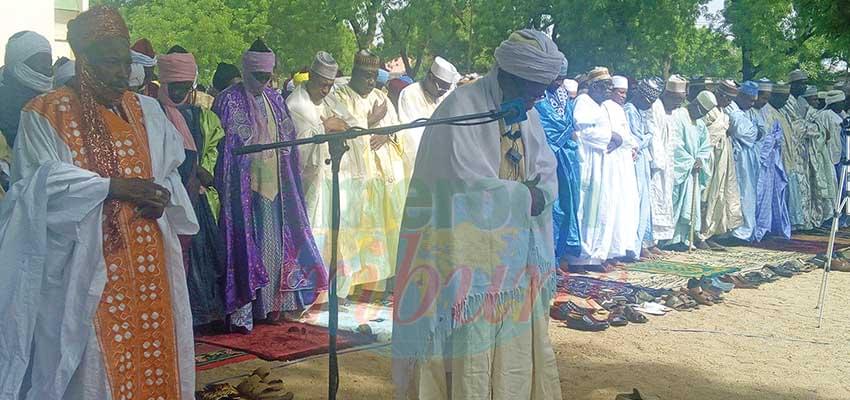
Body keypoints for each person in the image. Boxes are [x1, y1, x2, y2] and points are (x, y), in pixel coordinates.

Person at [1, 6, 198, 398]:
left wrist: (162, 196)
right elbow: (35, 188)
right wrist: (111, 187)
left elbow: (170, 171)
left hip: (150, 263)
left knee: (157, 352)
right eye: (110, 63)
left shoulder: (148, 110)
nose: (121, 73)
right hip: (86, 267)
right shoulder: (44, 113)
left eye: (125, 63)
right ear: (84, 60)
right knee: (94, 367)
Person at [392, 28, 562, 400]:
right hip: (466, 271)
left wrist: (537, 195)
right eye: (534, 89)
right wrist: (524, 197)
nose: (539, 98)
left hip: (516, 265)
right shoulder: (460, 109)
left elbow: (546, 171)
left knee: (513, 359)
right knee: (468, 356)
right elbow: (463, 187)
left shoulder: (527, 114)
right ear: (509, 75)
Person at [213, 38, 327, 332]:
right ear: (246, 70)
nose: (262, 82)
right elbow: (223, 150)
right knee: (250, 247)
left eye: (267, 77)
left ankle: (275, 306)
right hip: (244, 190)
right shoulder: (227, 100)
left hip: (276, 185)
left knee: (278, 246)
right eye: (257, 77)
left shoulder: (276, 100)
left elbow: (289, 144)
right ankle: (250, 308)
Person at [286, 51, 371, 299]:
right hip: (311, 183)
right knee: (314, 232)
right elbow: (296, 147)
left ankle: (333, 292)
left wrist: (338, 126)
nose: (325, 90)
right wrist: (324, 128)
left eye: (329, 85)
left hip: (335, 178)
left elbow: (350, 123)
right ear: (310, 77)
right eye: (322, 84)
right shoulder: (295, 103)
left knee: (339, 235)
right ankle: (308, 294)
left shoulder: (331, 100)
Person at [323, 49, 407, 299]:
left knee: (382, 230)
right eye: (365, 76)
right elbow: (342, 126)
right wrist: (370, 122)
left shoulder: (382, 97)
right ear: (354, 73)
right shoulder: (340, 95)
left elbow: (398, 129)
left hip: (383, 177)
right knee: (354, 230)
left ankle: (377, 284)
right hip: (355, 176)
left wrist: (387, 133)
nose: (370, 81)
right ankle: (350, 286)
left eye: (373, 76)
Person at [157, 46, 228, 327]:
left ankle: (197, 318)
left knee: (202, 258)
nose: (179, 93)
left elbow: (205, 151)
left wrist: (201, 172)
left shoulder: (198, 115)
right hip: (167, 198)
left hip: (194, 196)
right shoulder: (153, 112)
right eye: (174, 87)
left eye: (185, 87)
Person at [567, 67, 616, 271]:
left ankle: (593, 257)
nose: (609, 91)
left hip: (600, 161)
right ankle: (578, 258)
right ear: (594, 86)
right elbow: (584, 131)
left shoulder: (601, 106)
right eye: (605, 87)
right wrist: (611, 137)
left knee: (597, 209)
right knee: (584, 208)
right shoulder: (583, 102)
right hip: (586, 161)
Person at [535, 56, 581, 267]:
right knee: (547, 209)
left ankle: (558, 256)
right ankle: (544, 259)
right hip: (543, 158)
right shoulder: (537, 96)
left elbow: (570, 124)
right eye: (556, 78)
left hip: (565, 161)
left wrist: (567, 136)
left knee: (565, 207)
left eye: (562, 78)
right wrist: (566, 135)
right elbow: (543, 127)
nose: (559, 82)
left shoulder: (563, 95)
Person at [667, 90, 714, 249]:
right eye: (700, 110)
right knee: (676, 202)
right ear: (694, 103)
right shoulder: (679, 116)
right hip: (681, 168)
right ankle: (671, 240)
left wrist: (700, 159)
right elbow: (674, 143)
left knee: (691, 204)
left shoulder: (700, 123)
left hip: (692, 171)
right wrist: (689, 162)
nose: (701, 114)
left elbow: (706, 145)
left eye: (705, 112)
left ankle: (686, 239)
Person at [601, 75, 640, 260]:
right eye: (620, 92)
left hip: (625, 164)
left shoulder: (620, 109)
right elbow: (612, 136)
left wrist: (634, 146)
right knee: (614, 204)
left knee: (627, 203)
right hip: (613, 162)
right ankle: (611, 250)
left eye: (625, 93)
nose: (623, 96)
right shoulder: (606, 107)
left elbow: (627, 135)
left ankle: (623, 248)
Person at [624, 78, 664, 258]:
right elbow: (636, 141)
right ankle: (631, 247)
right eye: (649, 101)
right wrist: (647, 137)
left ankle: (640, 244)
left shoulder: (640, 111)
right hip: (632, 162)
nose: (650, 105)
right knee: (634, 203)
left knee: (643, 203)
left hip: (642, 162)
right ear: (640, 95)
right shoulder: (629, 111)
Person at [701, 84, 742, 248]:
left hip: (722, 160)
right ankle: (699, 234)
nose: (728, 102)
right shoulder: (708, 111)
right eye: (727, 98)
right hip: (709, 158)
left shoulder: (723, 113)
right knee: (705, 195)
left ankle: (711, 232)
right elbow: (703, 134)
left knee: (719, 195)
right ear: (718, 93)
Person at [397, 56, 460, 160]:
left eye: (446, 89)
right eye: (441, 88)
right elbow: (413, 131)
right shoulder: (410, 93)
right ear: (430, 77)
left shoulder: (443, 95)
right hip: (419, 152)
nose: (442, 92)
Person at [720, 80, 759, 242]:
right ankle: (738, 232)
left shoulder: (745, 111)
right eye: (749, 100)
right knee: (740, 193)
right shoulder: (732, 110)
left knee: (747, 193)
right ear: (740, 96)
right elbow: (744, 132)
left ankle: (744, 230)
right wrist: (755, 131)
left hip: (746, 158)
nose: (751, 104)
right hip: (737, 158)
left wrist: (755, 131)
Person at [0, 31, 53, 147]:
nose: (48, 68)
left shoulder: (54, 98)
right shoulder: (4, 101)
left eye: (49, 62)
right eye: (40, 61)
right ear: (19, 62)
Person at [652, 75, 688, 245]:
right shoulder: (656, 108)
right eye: (677, 99)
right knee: (653, 201)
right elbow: (654, 138)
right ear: (668, 95)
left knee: (664, 201)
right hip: (656, 166)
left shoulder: (673, 113)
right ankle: (647, 242)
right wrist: (658, 163)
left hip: (668, 166)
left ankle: (657, 241)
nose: (679, 104)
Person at [754, 80, 792, 240]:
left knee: (769, 196)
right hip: (756, 160)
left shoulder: (774, 113)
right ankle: (756, 230)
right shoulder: (755, 111)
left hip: (771, 161)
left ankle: (766, 228)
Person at [771, 82, 809, 229]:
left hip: (787, 157)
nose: (785, 101)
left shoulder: (780, 111)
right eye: (782, 97)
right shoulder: (770, 112)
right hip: (774, 159)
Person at [800, 85, 837, 227]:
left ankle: (824, 217)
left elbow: (825, 134)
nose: (816, 102)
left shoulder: (814, 114)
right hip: (810, 155)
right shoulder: (807, 114)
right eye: (813, 99)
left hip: (821, 154)